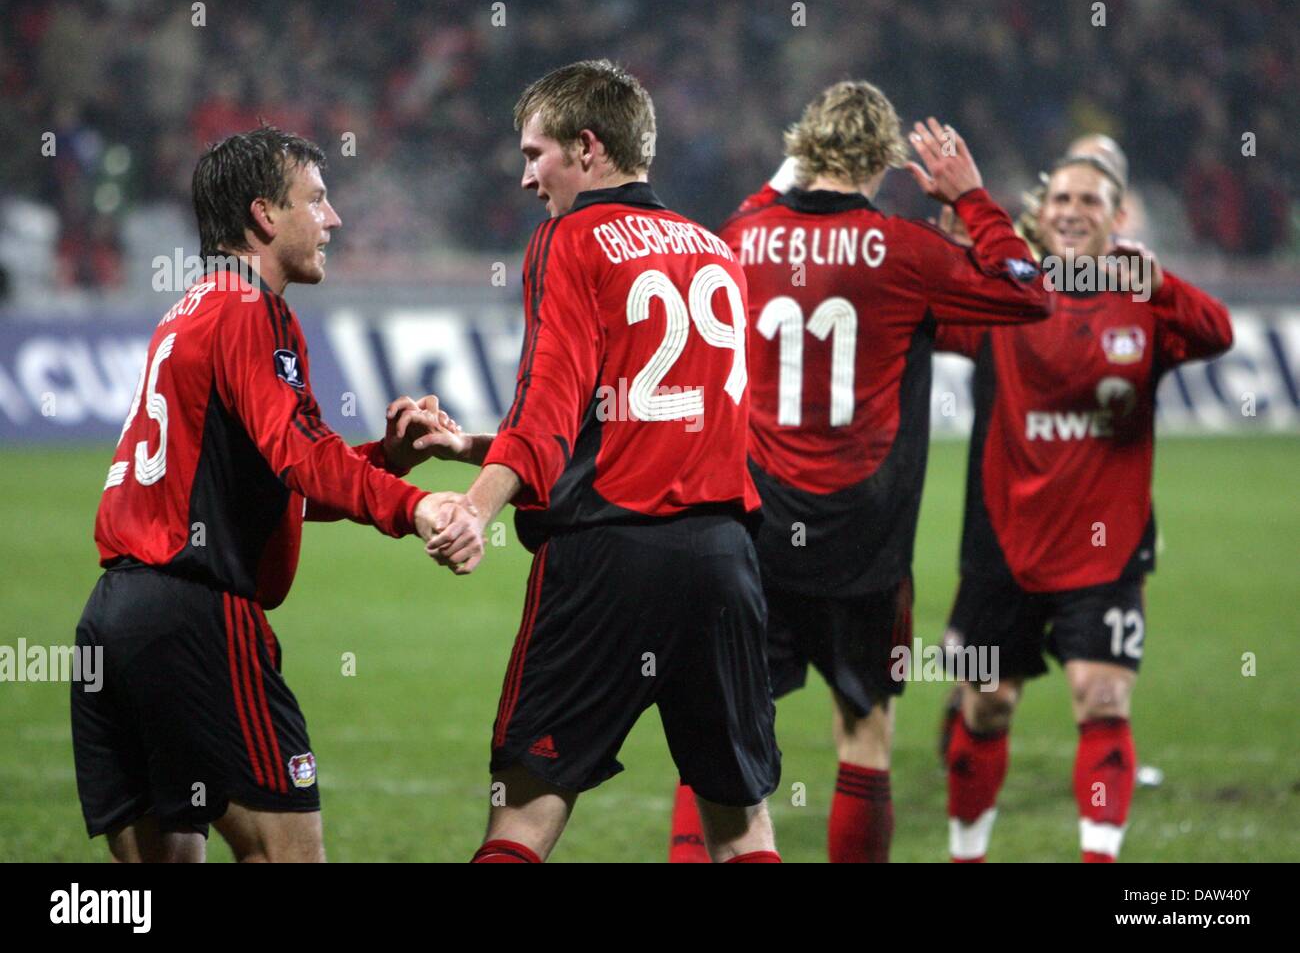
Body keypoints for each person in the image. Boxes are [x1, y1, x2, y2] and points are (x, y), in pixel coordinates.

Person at [666, 82, 1052, 862]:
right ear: (887, 159)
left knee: (718, 739)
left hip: (755, 528)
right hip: (864, 541)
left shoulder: (743, 233)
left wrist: (786, 172)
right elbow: (1031, 294)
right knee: (865, 734)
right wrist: (972, 199)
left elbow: (745, 213)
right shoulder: (908, 251)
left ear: (804, 146)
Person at [417, 59, 782, 863]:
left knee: (523, 814)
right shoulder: (714, 250)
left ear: (587, 148)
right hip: (721, 561)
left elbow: (550, 408)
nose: (524, 179)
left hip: (608, 558)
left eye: (533, 154)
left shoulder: (569, 240)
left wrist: (476, 503)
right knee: (742, 826)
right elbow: (655, 421)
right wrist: (478, 445)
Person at [72, 126, 453, 863]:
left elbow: (266, 483)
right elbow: (301, 455)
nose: (334, 218)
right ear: (265, 216)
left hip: (114, 619)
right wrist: (416, 508)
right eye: (317, 198)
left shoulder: (191, 311)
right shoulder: (254, 309)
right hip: (193, 615)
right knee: (285, 854)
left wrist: (385, 461)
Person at [936, 154, 1233, 862]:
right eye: (1060, 197)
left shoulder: (1144, 302)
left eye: (1090, 200)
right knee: (986, 703)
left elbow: (1217, 331)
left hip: (1105, 549)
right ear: (1038, 214)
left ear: (1117, 216)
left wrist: (1161, 283)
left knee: (1102, 700)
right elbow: (927, 321)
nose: (1071, 209)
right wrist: (951, 258)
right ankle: (966, 852)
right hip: (1003, 545)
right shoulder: (1007, 296)